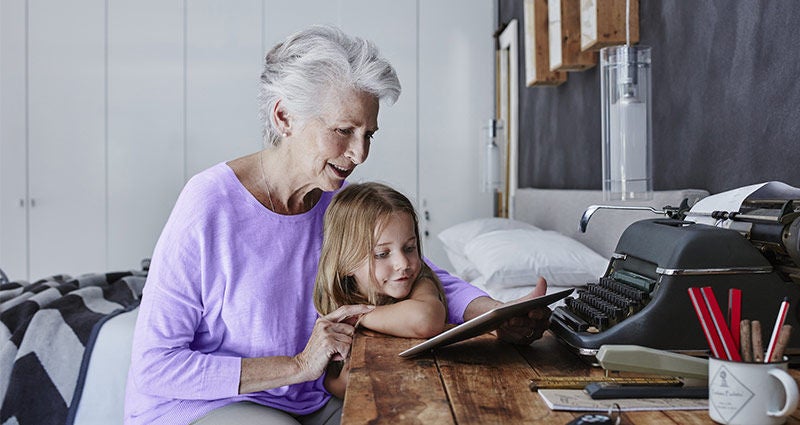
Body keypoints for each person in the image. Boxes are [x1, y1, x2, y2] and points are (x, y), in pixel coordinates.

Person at [124, 25, 549, 425]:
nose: (359, 154)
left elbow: (414, 270)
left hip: (304, 395)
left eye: (369, 134)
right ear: (284, 117)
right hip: (207, 405)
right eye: (344, 130)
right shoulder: (209, 204)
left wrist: (493, 313)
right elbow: (156, 366)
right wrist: (296, 365)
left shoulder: (335, 203)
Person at [313, 182, 449, 397]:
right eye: (382, 254)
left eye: (409, 248)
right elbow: (330, 382)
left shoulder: (420, 283)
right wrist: (345, 383)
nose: (403, 263)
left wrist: (358, 315)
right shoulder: (336, 302)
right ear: (346, 262)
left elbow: (425, 320)